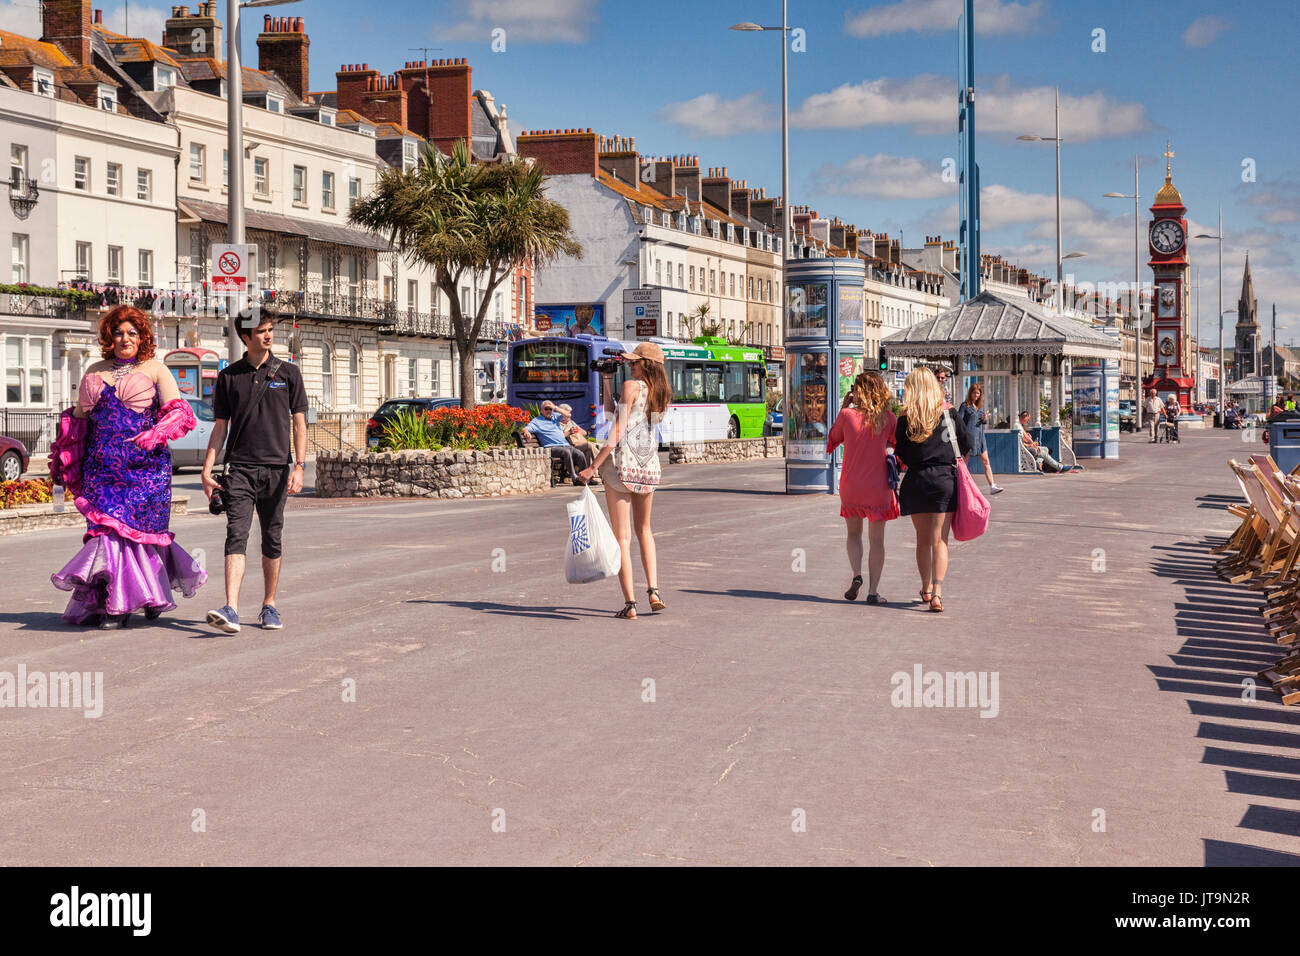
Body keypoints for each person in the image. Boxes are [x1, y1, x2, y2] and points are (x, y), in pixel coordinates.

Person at [49, 306, 207, 628]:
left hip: (145, 471)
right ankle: (115, 604)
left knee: (143, 536)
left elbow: (179, 412)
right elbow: (79, 421)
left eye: (132, 333)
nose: (125, 338)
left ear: (141, 337)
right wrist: (63, 460)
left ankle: (144, 596)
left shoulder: (155, 368)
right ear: (110, 336)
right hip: (101, 470)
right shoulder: (95, 369)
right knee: (108, 534)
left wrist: (156, 433)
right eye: (119, 332)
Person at [201, 310, 308, 634]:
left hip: (277, 468)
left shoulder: (289, 373)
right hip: (241, 470)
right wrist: (208, 469)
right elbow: (221, 427)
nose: (268, 336)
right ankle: (231, 608)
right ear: (245, 338)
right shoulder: (229, 377)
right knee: (236, 535)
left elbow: (300, 422)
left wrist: (300, 466)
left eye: (270, 330)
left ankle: (269, 605)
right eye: (261, 331)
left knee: (271, 539)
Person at [577, 343, 672, 619]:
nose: (629, 366)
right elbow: (615, 414)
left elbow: (616, 428)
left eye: (634, 362)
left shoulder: (631, 386)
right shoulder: (661, 394)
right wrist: (608, 382)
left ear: (647, 364)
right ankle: (653, 590)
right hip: (648, 466)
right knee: (645, 530)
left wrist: (593, 467)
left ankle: (630, 604)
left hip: (621, 466)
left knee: (622, 536)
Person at [894, 367, 971, 613]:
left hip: (916, 480)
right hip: (944, 479)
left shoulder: (906, 416)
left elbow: (901, 453)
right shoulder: (948, 413)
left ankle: (925, 588)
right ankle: (937, 593)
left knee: (922, 539)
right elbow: (967, 443)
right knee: (940, 540)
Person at [827, 370, 899, 605]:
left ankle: (857, 575)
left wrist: (844, 408)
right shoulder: (888, 418)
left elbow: (833, 439)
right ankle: (873, 592)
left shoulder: (847, 415)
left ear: (858, 392)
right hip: (877, 485)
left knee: (853, 534)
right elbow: (899, 445)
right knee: (877, 540)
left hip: (851, 484)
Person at [523, 400, 590, 485]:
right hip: (550, 447)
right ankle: (574, 478)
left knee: (580, 454)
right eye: (546, 409)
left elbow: (568, 415)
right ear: (541, 410)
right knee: (566, 452)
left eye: (550, 409)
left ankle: (586, 478)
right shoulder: (537, 421)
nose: (548, 411)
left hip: (565, 445)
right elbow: (526, 428)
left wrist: (555, 407)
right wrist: (527, 432)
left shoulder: (555, 416)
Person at [957, 383, 1003, 496]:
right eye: (974, 393)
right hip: (968, 438)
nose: (976, 395)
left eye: (978, 393)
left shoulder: (980, 406)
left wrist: (984, 419)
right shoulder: (965, 406)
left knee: (986, 461)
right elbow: (959, 421)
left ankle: (992, 486)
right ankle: (960, 486)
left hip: (980, 438)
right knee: (964, 463)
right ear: (970, 393)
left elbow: (982, 423)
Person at [556, 402, 596, 473]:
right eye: (567, 414)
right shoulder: (557, 424)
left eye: (570, 414)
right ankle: (599, 468)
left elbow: (585, 433)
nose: (570, 415)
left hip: (579, 444)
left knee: (590, 449)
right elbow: (558, 437)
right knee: (589, 445)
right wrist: (569, 432)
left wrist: (578, 430)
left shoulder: (571, 422)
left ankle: (588, 475)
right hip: (569, 446)